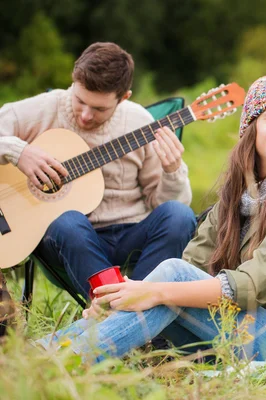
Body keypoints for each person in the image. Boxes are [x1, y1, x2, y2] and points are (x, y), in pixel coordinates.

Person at [38, 75, 266, 363]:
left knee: (169, 282)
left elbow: (251, 287)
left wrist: (155, 292)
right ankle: (43, 353)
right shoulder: (241, 193)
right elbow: (194, 263)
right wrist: (120, 301)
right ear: (251, 129)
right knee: (167, 279)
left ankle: (62, 363)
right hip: (245, 328)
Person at [0, 42, 196, 300]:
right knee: (68, 221)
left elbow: (163, 204)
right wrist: (18, 152)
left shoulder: (140, 123)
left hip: (130, 235)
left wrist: (172, 172)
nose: (84, 115)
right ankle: (127, 317)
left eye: (99, 109)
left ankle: (126, 315)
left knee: (179, 215)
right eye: (80, 101)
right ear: (73, 81)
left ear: (124, 97)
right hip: (69, 242)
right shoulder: (43, 109)